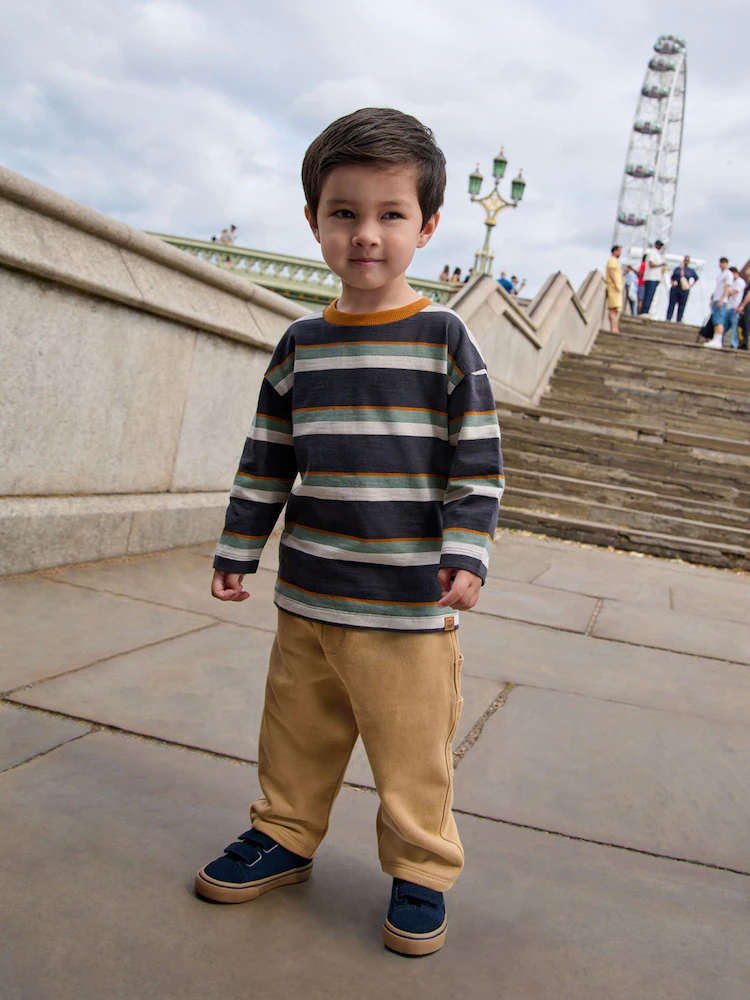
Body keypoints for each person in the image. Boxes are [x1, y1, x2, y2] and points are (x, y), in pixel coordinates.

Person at [195, 107, 503, 958]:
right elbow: (267, 457)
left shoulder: (445, 337)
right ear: (314, 221)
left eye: (390, 215)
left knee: (412, 751)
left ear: (428, 226)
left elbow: (477, 461)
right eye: (344, 212)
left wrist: (466, 551)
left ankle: (420, 867)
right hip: (308, 595)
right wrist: (237, 548)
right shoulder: (301, 343)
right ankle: (285, 833)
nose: (366, 234)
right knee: (295, 731)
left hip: (407, 604)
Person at [705, 257, 733, 348]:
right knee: (715, 320)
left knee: (719, 321)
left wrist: (722, 300)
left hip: (722, 300)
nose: (721, 265)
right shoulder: (721, 274)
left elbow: (727, 288)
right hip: (716, 299)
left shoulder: (728, 274)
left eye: (723, 263)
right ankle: (715, 338)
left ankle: (718, 340)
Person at [666, 255, 699, 322]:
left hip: (684, 289)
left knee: (682, 305)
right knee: (672, 304)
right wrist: (672, 283)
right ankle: (668, 318)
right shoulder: (678, 269)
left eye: (687, 260)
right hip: (675, 288)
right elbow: (672, 277)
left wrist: (690, 285)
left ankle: (679, 319)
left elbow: (696, 278)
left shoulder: (691, 271)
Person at [641, 240, 666, 316]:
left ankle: (647, 311)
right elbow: (651, 264)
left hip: (656, 278)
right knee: (648, 295)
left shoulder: (658, 254)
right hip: (651, 277)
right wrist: (660, 264)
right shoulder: (652, 252)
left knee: (651, 296)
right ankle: (644, 311)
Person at [725, 266, 747, 349]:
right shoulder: (733, 282)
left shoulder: (740, 282)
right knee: (724, 326)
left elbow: (732, 292)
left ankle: (733, 344)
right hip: (729, 307)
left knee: (735, 327)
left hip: (735, 308)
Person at [606, 245, 624, 333]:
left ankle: (615, 327)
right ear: (615, 251)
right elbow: (611, 272)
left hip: (616, 287)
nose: (620, 253)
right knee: (612, 309)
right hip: (613, 287)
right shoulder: (612, 260)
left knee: (615, 310)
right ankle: (613, 328)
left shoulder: (615, 261)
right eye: (619, 251)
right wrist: (616, 284)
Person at [736, 282, 750, 351]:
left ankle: (744, 344)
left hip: (747, 307)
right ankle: (742, 343)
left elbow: (749, 295)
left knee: (745, 325)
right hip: (745, 306)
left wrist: (742, 306)